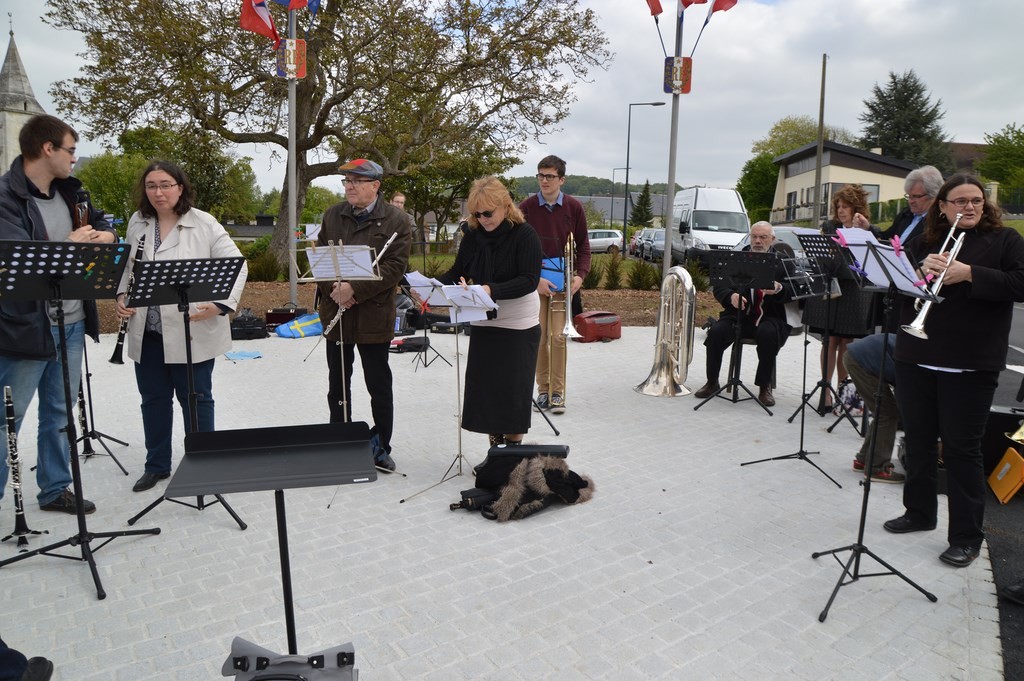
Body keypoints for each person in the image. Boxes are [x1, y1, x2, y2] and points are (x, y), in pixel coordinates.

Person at [883, 174, 1024, 568]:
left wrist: (971, 274)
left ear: (985, 204)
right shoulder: (925, 241)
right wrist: (918, 272)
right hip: (917, 355)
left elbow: (1021, 282)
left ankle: (965, 536)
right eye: (959, 201)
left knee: (962, 450)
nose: (969, 207)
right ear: (942, 206)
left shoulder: (1006, 241)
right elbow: (899, 286)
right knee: (920, 439)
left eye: (976, 200)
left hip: (971, 362)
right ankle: (919, 512)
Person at [0, 114, 115, 514]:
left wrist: (107, 236)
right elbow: (17, 258)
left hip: (70, 322)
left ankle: (54, 489)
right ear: (47, 148)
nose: (74, 158)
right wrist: (69, 244)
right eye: (70, 149)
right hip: (25, 326)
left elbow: (101, 222)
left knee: (60, 412)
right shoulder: (6, 197)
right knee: (6, 420)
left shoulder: (73, 192)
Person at [115, 161, 248, 492]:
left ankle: (206, 464)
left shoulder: (203, 223)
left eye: (165, 185)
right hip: (148, 331)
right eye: (151, 186)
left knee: (197, 398)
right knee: (153, 400)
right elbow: (127, 266)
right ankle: (157, 464)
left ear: (180, 187)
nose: (158, 192)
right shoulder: (138, 221)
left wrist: (219, 305)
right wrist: (121, 294)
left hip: (192, 330)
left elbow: (237, 265)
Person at [316, 159, 412, 471]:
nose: (350, 186)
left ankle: (382, 445)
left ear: (376, 185)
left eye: (357, 180)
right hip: (337, 314)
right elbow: (320, 259)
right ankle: (339, 441)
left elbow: (394, 267)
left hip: (373, 315)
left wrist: (354, 289)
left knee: (378, 384)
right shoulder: (333, 214)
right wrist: (335, 287)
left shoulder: (398, 220)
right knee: (338, 383)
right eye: (347, 181)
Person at [437, 176, 541, 445]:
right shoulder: (473, 236)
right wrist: (433, 288)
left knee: (512, 394)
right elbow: (457, 271)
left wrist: (491, 290)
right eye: (477, 214)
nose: (482, 218)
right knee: (487, 394)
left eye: (488, 212)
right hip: (484, 322)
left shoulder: (525, 235)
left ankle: (512, 459)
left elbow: (529, 280)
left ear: (505, 206)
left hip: (518, 325)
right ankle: (496, 454)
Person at [519, 155, 590, 414]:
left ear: (561, 179)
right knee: (539, 338)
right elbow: (517, 248)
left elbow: (583, 247)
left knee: (558, 337)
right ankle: (543, 390)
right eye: (540, 175)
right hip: (535, 283)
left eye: (550, 176)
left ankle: (558, 392)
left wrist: (579, 276)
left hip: (562, 282)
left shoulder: (574, 208)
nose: (544, 180)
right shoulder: (526, 207)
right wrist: (534, 278)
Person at [694, 221, 793, 407]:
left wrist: (780, 288)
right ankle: (712, 382)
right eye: (754, 236)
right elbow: (719, 286)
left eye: (763, 237)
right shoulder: (736, 258)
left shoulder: (783, 262)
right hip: (738, 315)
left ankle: (765, 386)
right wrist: (730, 295)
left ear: (772, 239)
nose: (757, 241)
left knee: (768, 334)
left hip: (770, 316)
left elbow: (794, 290)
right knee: (716, 332)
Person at [812, 184, 879, 413]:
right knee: (829, 339)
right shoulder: (830, 227)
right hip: (834, 286)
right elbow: (821, 259)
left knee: (847, 342)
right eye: (838, 206)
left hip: (855, 290)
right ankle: (825, 390)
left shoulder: (867, 229)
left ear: (856, 207)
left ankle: (845, 391)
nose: (841, 210)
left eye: (845, 206)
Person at [842, 333, 904, 482]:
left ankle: (863, 460)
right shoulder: (922, 361)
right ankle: (877, 468)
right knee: (888, 415)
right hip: (862, 362)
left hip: (856, 356)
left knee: (883, 413)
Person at [879, 165, 944, 243]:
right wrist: (868, 227)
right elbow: (887, 236)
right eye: (909, 196)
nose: (910, 201)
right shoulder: (906, 214)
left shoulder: (939, 222)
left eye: (916, 196)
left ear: (933, 195)